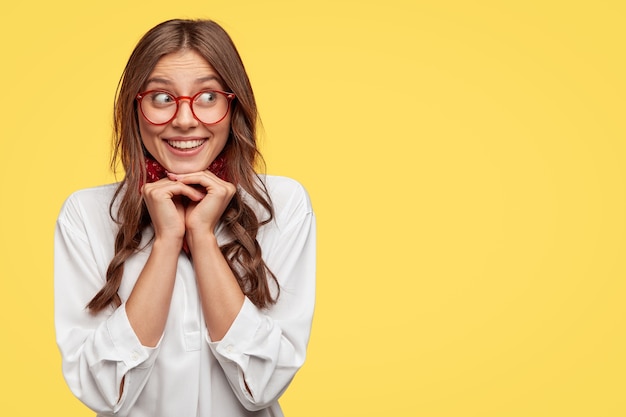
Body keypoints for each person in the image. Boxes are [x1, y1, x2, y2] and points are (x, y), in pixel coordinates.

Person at [54, 19, 315, 417]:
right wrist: (167, 239)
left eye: (208, 96)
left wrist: (203, 235)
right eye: (161, 97)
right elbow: (105, 391)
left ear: (233, 105)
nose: (185, 119)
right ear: (135, 107)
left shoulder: (280, 204)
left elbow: (261, 385)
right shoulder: (85, 215)